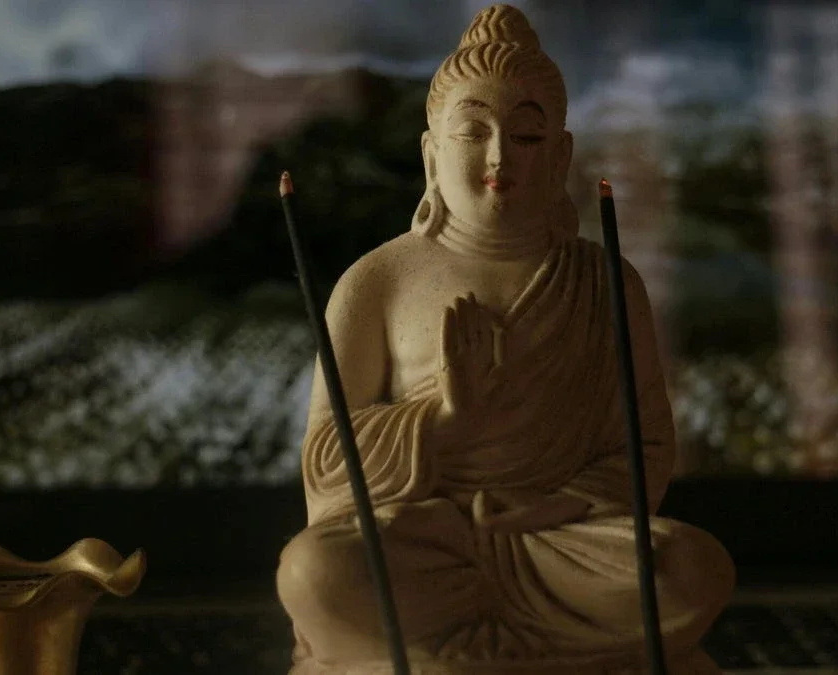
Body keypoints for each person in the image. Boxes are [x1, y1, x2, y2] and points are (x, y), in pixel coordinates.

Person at [276, 5, 735, 672]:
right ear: (432, 154)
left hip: (557, 546)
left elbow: (646, 445)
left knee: (694, 567)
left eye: (524, 136)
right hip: (428, 549)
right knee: (313, 571)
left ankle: (456, 655)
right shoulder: (377, 281)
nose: (498, 158)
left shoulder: (604, 281)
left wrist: (555, 507)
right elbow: (324, 462)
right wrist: (442, 420)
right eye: (473, 133)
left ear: (560, 157)